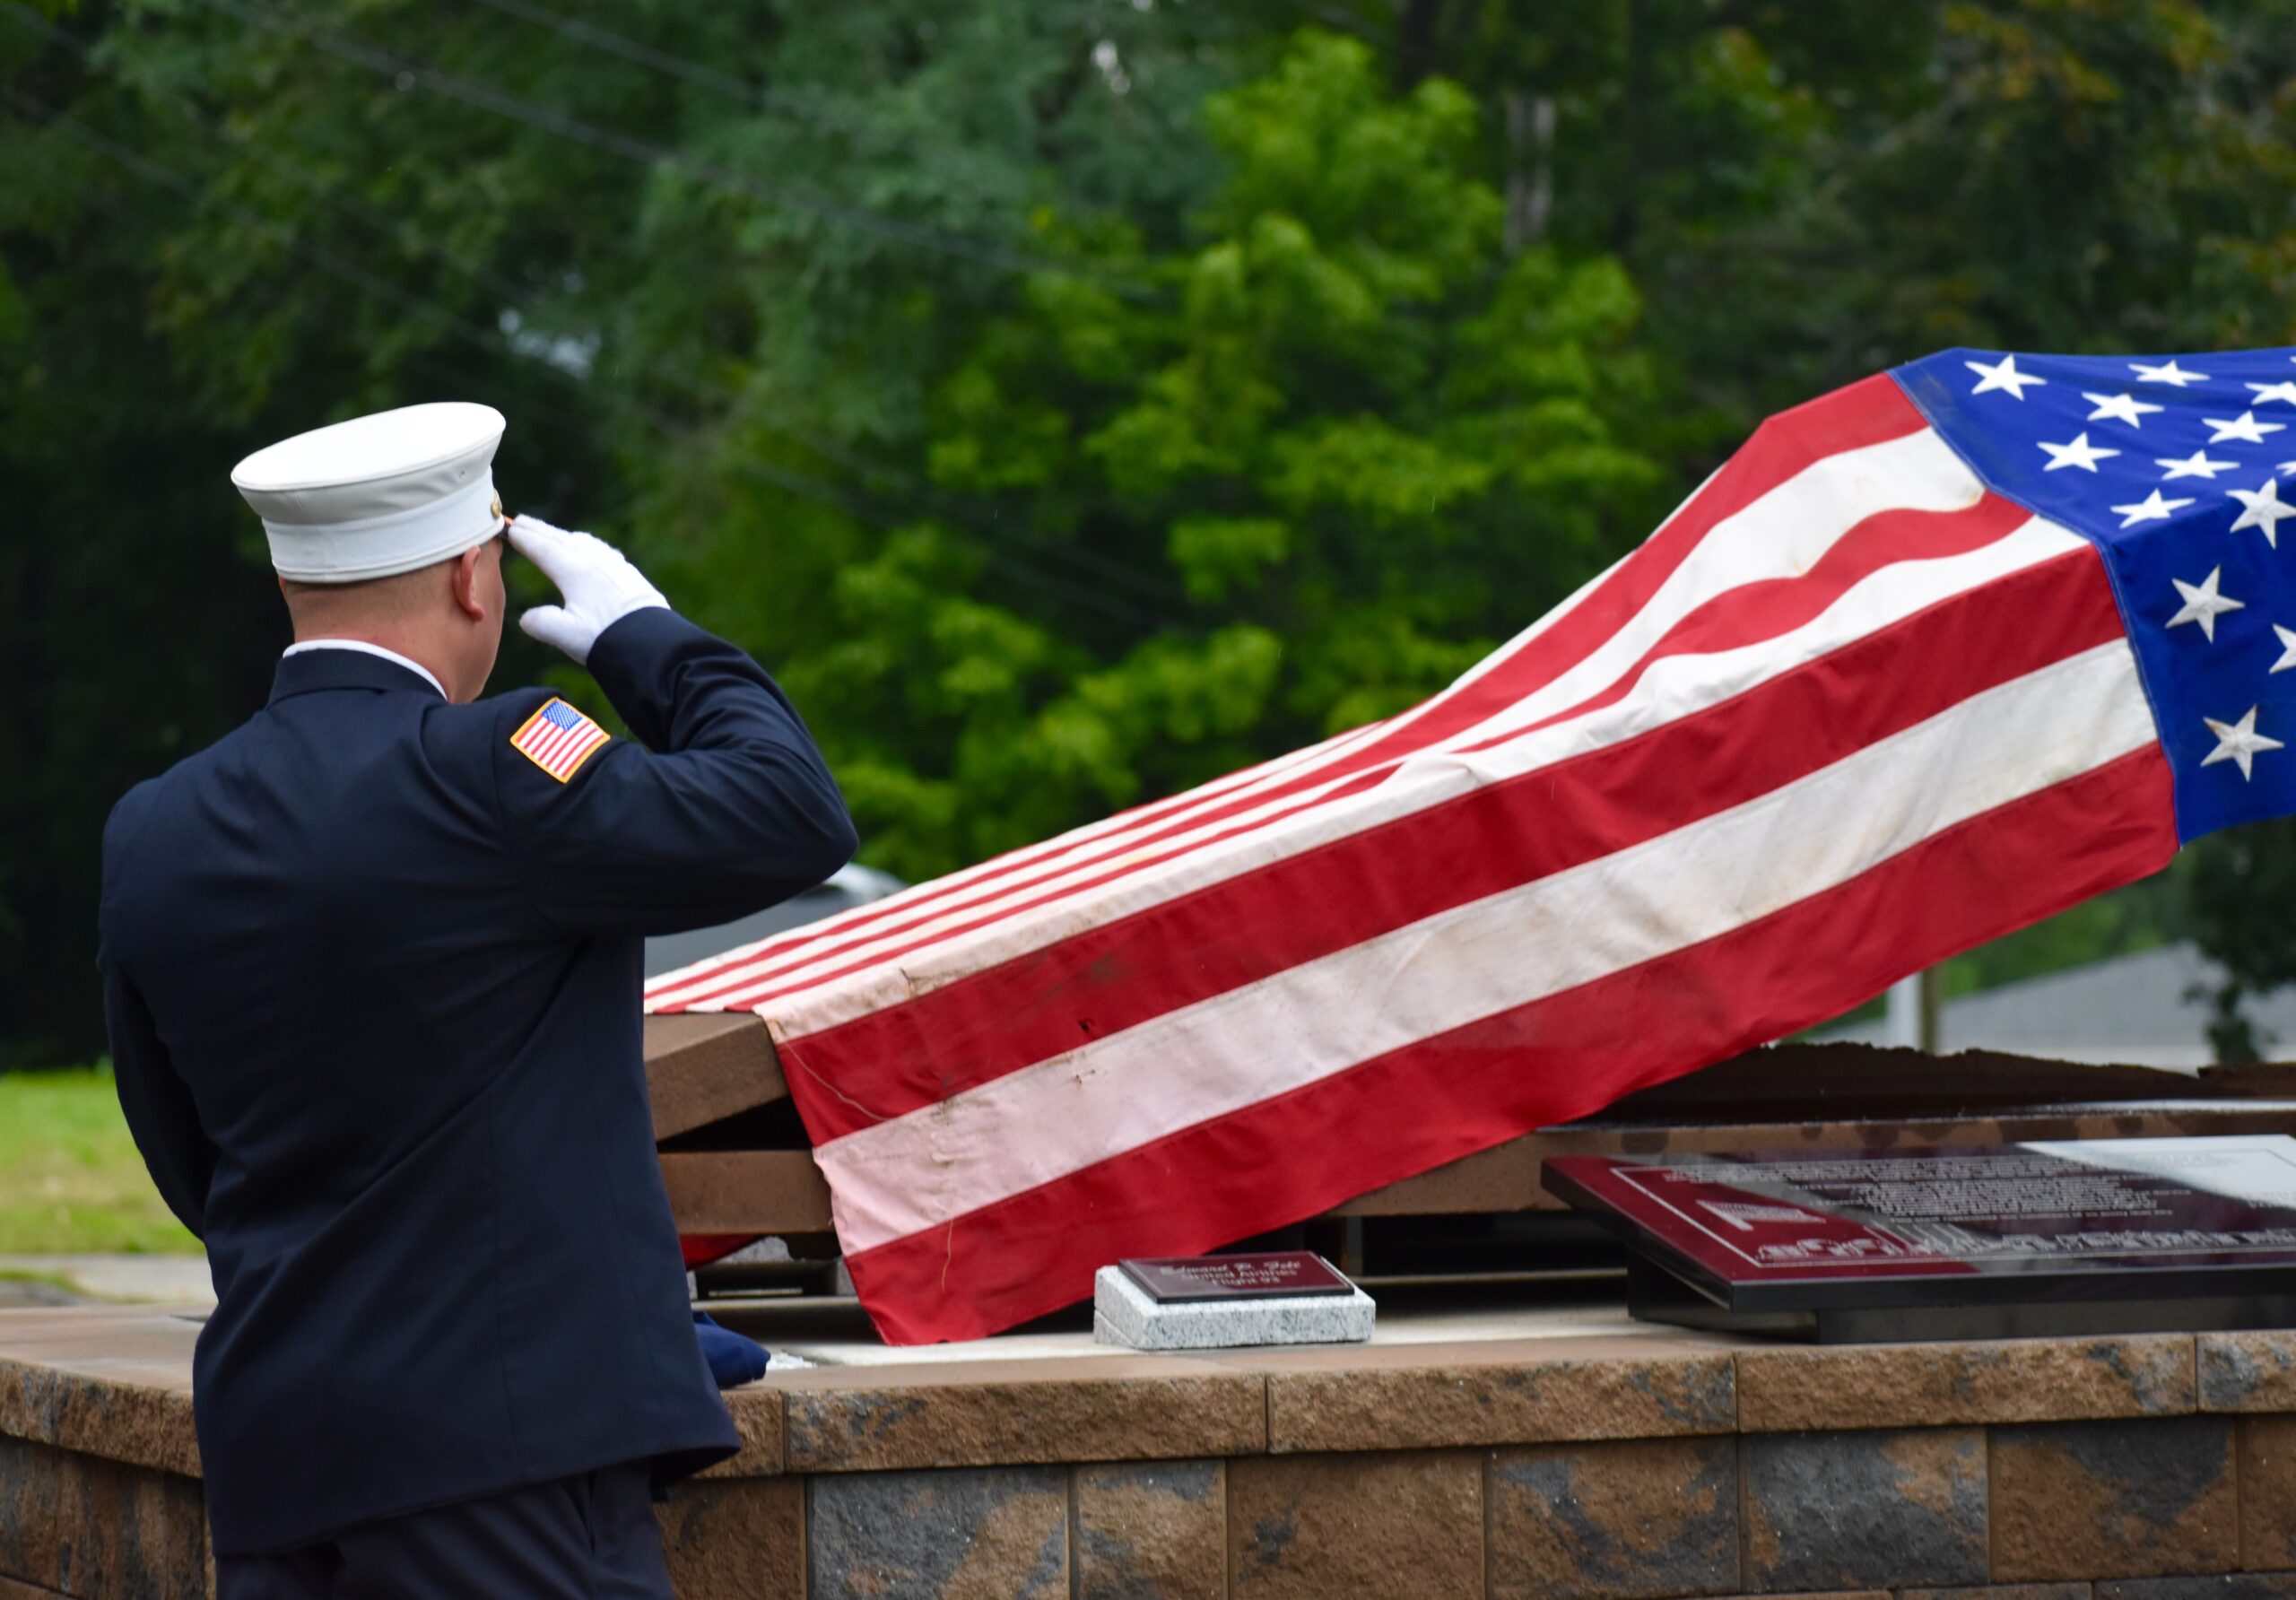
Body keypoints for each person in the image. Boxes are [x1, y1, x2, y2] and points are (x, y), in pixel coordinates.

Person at [96, 402, 857, 1596]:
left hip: (282, 1456)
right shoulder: (501, 767)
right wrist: (651, 641)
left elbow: (190, 1158)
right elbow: (791, 813)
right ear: (471, 577)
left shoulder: (155, 828)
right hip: (504, 1469)